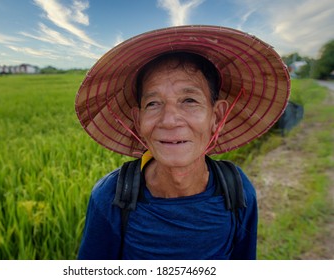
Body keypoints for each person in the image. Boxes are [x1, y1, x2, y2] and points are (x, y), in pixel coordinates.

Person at [75, 25, 290, 260]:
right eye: (153, 104)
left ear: (216, 117)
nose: (169, 121)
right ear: (138, 121)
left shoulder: (238, 192)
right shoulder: (111, 198)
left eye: (189, 100)